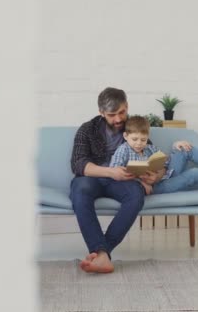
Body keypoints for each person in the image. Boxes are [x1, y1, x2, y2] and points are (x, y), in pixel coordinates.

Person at [70, 88, 163, 274]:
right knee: (79, 191)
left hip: (124, 181)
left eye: (122, 112)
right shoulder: (87, 129)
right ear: (101, 113)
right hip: (94, 178)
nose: (119, 119)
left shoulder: (133, 127)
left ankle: (102, 254)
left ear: (127, 106)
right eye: (112, 115)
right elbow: (78, 164)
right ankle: (102, 253)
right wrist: (110, 172)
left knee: (136, 195)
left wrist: (156, 176)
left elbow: (152, 159)